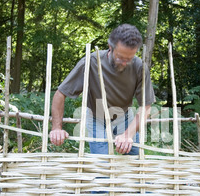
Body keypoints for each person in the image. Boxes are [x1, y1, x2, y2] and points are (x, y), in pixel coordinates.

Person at [49, 24, 155, 155]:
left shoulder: (139, 67)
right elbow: (60, 94)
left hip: (124, 116)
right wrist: (56, 128)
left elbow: (146, 106)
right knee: (101, 165)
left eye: (129, 59)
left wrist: (128, 134)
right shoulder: (91, 62)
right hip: (96, 117)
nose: (124, 63)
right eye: (120, 57)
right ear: (110, 47)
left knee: (135, 158)